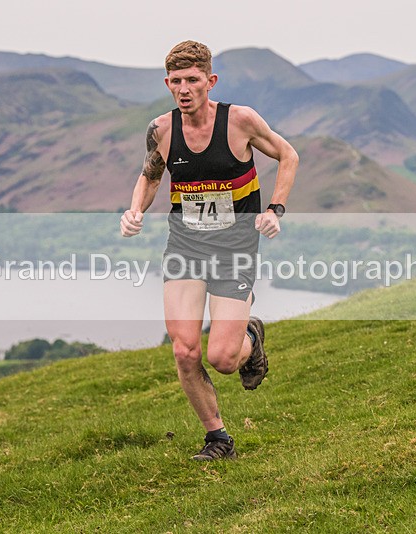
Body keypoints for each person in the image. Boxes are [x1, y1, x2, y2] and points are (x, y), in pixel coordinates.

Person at [120, 40, 298, 461]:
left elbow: (288, 155)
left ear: (210, 81)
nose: (184, 89)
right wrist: (134, 210)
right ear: (168, 83)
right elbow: (150, 176)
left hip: (235, 247)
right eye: (176, 81)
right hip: (186, 244)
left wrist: (275, 209)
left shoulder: (240, 121)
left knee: (222, 358)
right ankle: (218, 438)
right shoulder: (161, 130)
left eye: (193, 80)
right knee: (184, 350)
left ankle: (250, 337)